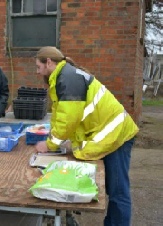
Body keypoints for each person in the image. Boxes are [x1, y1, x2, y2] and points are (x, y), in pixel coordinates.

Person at [34, 46, 139, 226]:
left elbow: (68, 119)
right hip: (108, 132)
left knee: (118, 191)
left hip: (117, 135)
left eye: (38, 66)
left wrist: (50, 145)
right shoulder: (64, 76)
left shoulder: (67, 79)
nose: (37, 71)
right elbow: (61, 115)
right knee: (113, 190)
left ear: (49, 62)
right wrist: (58, 137)